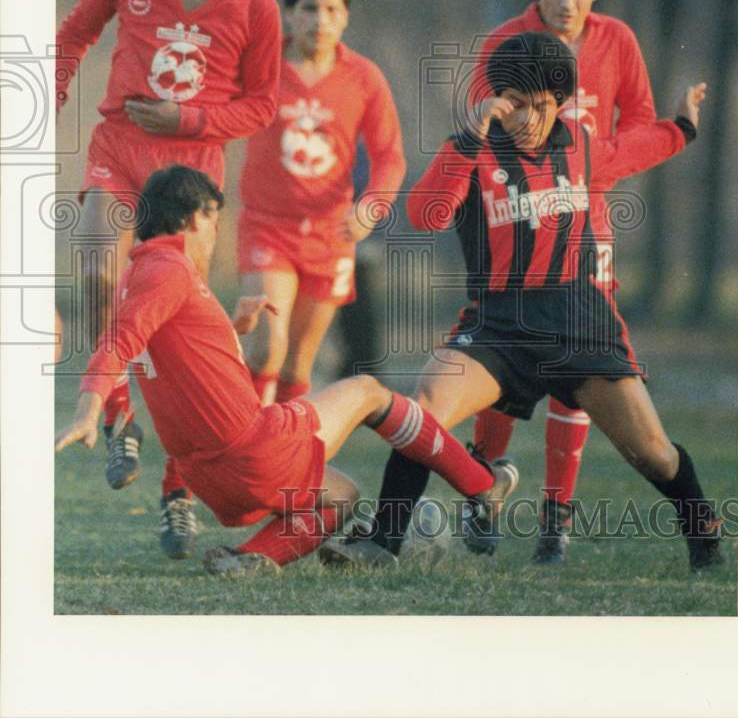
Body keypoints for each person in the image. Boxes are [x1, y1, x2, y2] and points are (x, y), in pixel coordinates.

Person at [320, 32, 723, 574]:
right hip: (498, 324)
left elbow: (629, 151)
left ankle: (705, 534)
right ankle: (381, 543)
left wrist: (682, 127)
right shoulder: (476, 148)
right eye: (515, 104)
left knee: (651, 452)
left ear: (559, 101)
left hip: (580, 323)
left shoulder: (578, 143)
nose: (527, 119)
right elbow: (426, 216)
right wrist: (469, 136)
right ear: (497, 99)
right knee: (426, 409)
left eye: (539, 105)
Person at [54, 165, 518, 576]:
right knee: (369, 391)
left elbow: (169, 352)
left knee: (341, 496)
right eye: (215, 219)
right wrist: (88, 408)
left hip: (210, 479)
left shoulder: (141, 276)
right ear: (196, 217)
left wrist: (233, 325)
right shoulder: (168, 269)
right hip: (251, 452)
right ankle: (484, 485)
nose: (216, 236)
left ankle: (252, 557)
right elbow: (118, 344)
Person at [55, 0, 282, 555]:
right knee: (98, 273)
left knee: (179, 341)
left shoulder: (256, 7)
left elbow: (262, 104)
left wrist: (185, 117)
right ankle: (120, 415)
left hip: (190, 181)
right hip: (119, 151)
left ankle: (176, 499)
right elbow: (75, 35)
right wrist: (52, 91)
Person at [466, 0, 658, 562]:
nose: (567, 2)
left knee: (582, 360)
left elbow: (641, 123)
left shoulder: (619, 41)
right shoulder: (505, 42)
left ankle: (556, 518)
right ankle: (482, 486)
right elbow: (478, 125)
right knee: (504, 351)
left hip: (589, 220)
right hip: (517, 216)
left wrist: (590, 166)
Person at [235, 0, 405, 405]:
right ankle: (250, 455)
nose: (321, 21)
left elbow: (390, 157)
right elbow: (217, 111)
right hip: (268, 226)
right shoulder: (262, 64)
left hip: (332, 234)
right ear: (291, 11)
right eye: (310, 8)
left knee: (297, 363)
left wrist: (371, 208)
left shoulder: (364, 78)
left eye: (332, 10)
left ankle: (284, 458)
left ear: (346, 16)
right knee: (267, 347)